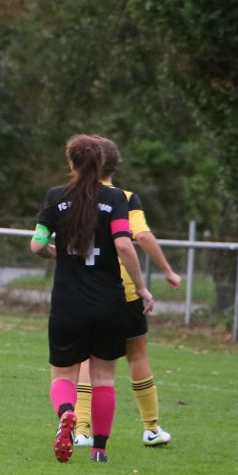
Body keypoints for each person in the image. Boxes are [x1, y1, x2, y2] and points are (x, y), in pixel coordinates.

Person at [30, 134, 153, 464]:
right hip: (109, 304)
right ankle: (99, 449)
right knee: (103, 379)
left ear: (71, 163)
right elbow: (125, 245)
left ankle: (68, 413)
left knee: (62, 376)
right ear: (101, 164)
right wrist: (141, 287)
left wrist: (53, 252)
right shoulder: (115, 198)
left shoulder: (56, 198)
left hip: (68, 304)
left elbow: (37, 244)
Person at [74, 138, 181, 448]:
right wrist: (166, 270)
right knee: (137, 355)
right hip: (123, 290)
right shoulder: (124, 198)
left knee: (85, 359)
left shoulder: (72, 196)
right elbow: (141, 235)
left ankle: (81, 430)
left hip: (84, 289)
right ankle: (150, 428)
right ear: (115, 165)